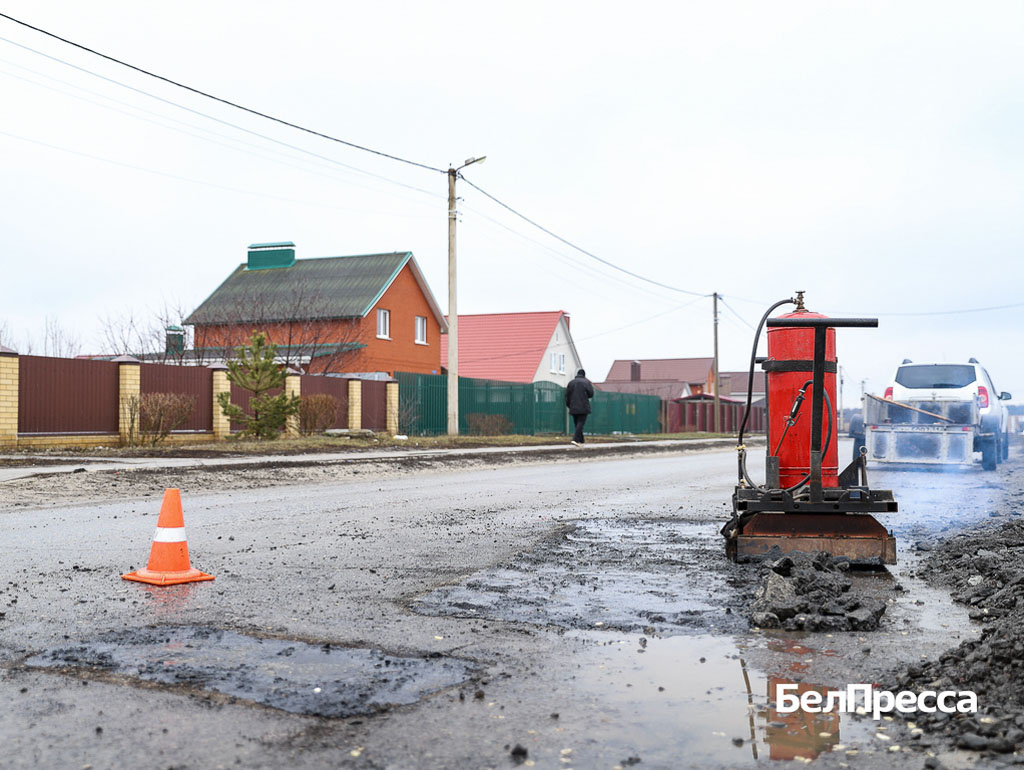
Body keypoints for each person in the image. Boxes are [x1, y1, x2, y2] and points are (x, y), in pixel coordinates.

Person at [565, 368, 595, 446]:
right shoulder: (587, 382)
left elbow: (567, 395)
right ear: (584, 375)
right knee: (580, 423)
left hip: (573, 407)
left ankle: (581, 441)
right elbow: (591, 394)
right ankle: (575, 439)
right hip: (583, 406)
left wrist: (569, 405)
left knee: (577, 424)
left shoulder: (571, 383)